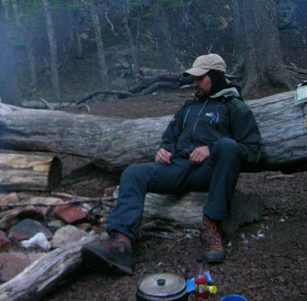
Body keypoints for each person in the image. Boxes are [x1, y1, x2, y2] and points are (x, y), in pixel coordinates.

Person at [82, 53, 261, 274]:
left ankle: (211, 226)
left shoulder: (234, 107)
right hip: (177, 169)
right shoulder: (189, 107)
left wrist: (211, 149)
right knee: (133, 173)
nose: (193, 83)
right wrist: (164, 149)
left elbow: (252, 150)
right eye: (193, 78)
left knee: (228, 146)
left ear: (216, 77)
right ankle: (121, 244)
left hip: (209, 172)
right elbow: (170, 135)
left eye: (200, 78)